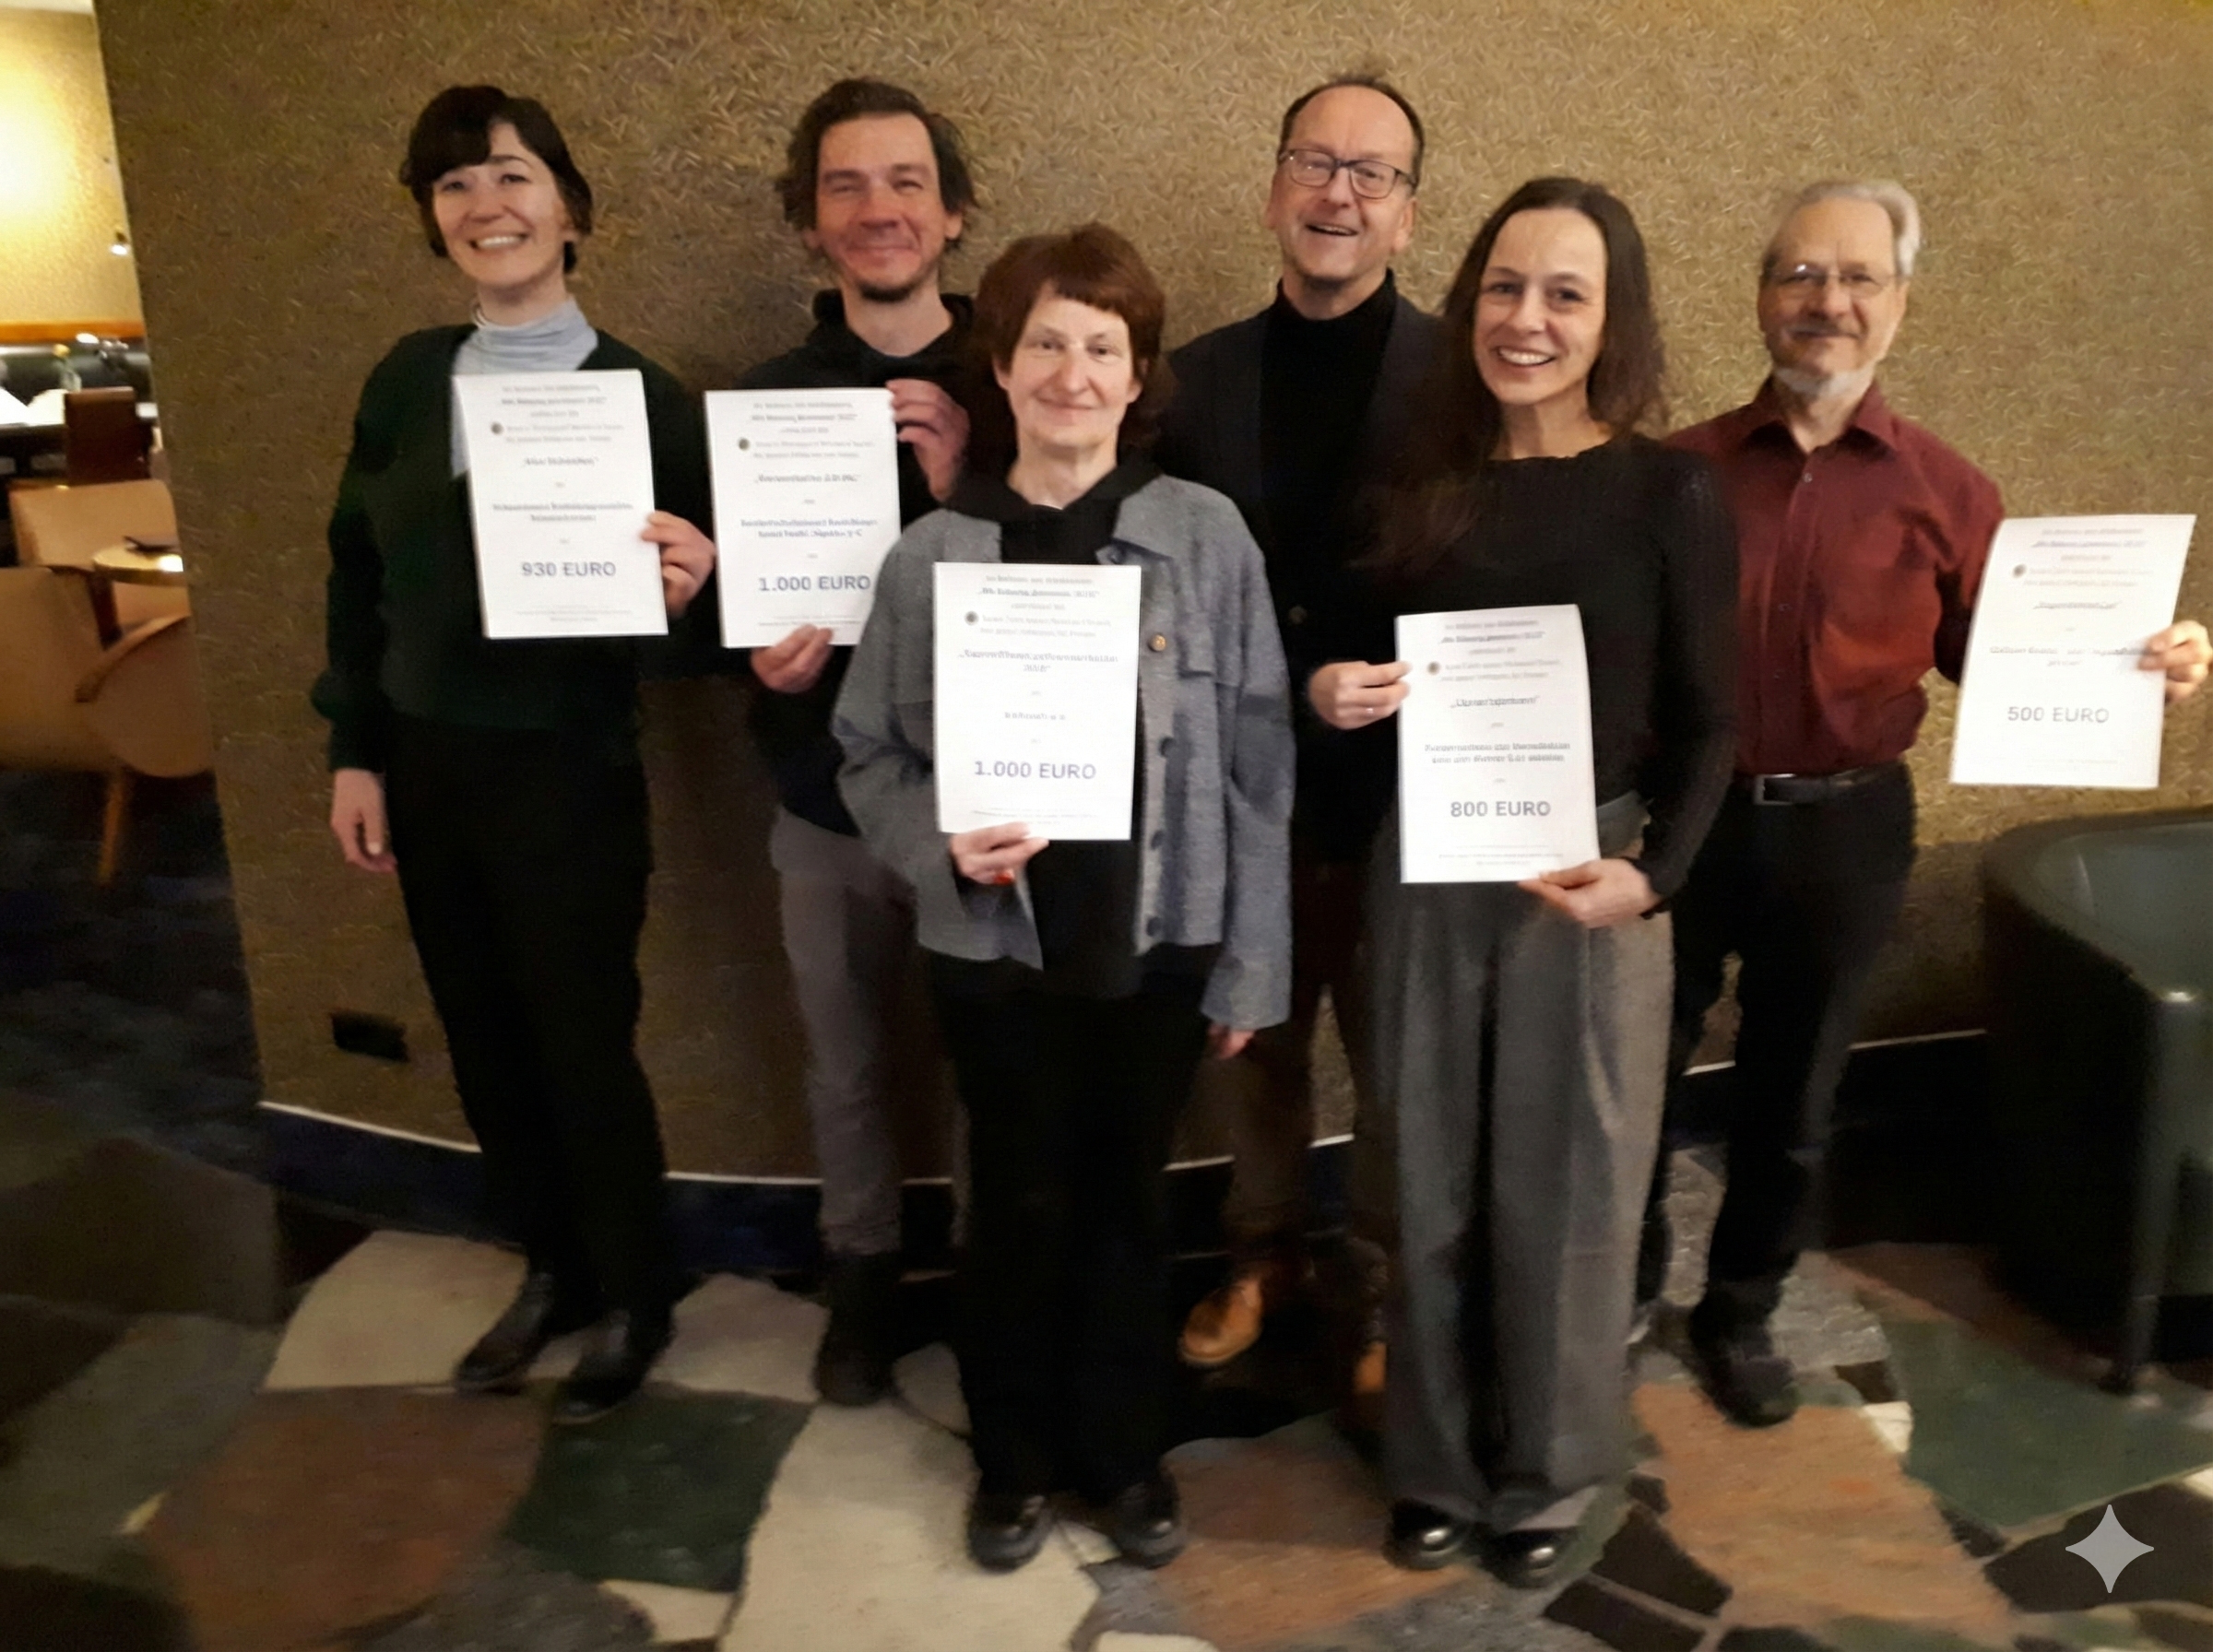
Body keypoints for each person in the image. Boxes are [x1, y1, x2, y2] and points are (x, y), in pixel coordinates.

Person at [1642, 179, 2213, 1427]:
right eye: (1799, 273)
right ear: (1761, 295)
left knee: (1793, 1098)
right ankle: (1621, 1291)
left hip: (1848, 831)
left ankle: (1738, 1312)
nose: (1826, 301)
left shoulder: (1948, 493)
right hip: (1685, 823)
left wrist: (2149, 661)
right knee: (1635, 1070)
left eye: (1858, 277)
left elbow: (2013, 657)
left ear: (1899, 302)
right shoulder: (1675, 473)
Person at [835, 224, 1292, 1574]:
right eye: (1046, 342)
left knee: (1129, 1207)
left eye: (1104, 347)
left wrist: (1252, 963)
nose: (1073, 373)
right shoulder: (931, 555)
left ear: (1139, 375)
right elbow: (867, 753)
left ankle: (1125, 1455)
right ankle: (1015, 1460)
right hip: (994, 954)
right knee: (1017, 1207)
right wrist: (939, 842)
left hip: (1158, 944)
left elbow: (1260, 759)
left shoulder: (1205, 538)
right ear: (1002, 363)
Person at [1308, 178, 1736, 1584]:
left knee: (1574, 1192)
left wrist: (1653, 876)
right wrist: (1327, 690)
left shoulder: (1668, 491)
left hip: (1588, 878)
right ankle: (1434, 1466)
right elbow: (1335, 650)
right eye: (1504, 286)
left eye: (1565, 293)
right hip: (1428, 867)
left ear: (1614, 320)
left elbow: (1714, 723)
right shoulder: (1416, 481)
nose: (1527, 319)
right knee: (1422, 1179)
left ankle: (1552, 1474)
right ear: (1468, 301)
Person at [314, 86, 716, 1423]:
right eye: (454, 185)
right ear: (434, 220)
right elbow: (356, 575)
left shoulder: (645, 397)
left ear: (570, 207)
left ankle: (638, 1291)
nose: (486, 205)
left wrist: (690, 592)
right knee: (484, 1037)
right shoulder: (405, 378)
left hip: (567, 771)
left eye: (511, 175)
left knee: (583, 1042)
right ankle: (554, 1268)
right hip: (427, 767)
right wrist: (355, 752)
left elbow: (691, 631)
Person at [1155, 73, 1439, 1382]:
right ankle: (1260, 1250)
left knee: (1395, 1066)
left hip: (1406, 801)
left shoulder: (1461, 381)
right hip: (1247, 794)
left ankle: (1375, 1282)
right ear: (1274, 189)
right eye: (1315, 163)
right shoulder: (1194, 383)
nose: (1339, 193)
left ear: (1407, 215)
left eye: (1372, 173)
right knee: (1254, 1046)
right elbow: (1166, 589)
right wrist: (1292, 680)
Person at [737, 78, 976, 1406]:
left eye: (905, 182)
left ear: (953, 214)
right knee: (846, 1068)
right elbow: (723, 610)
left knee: (994, 1064)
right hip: (823, 796)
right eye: (845, 186)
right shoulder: (766, 403)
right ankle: (865, 1275)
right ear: (810, 223)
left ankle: (996, 1274)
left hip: (988, 801)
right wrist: (743, 644)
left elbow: (1080, 578)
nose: (878, 209)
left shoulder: (1019, 378)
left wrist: (964, 485)